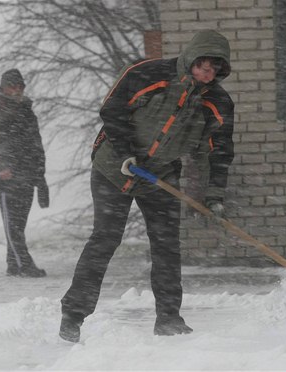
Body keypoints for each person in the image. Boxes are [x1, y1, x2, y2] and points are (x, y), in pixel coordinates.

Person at [59, 30, 234, 342]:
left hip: (160, 176)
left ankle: (169, 317)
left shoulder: (217, 103)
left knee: (166, 245)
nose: (208, 72)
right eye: (203, 64)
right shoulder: (147, 74)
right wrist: (126, 154)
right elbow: (112, 110)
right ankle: (73, 315)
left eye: (215, 68)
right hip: (114, 167)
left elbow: (218, 152)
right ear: (191, 59)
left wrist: (214, 195)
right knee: (106, 238)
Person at [0, 68, 49, 278]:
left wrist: (40, 172)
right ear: (3, 87)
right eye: (13, 85)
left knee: (20, 222)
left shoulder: (26, 110)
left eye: (20, 86)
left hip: (28, 171)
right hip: (8, 175)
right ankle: (25, 264)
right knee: (13, 223)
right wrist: (1, 169)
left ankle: (13, 263)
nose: (17, 89)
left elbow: (35, 142)